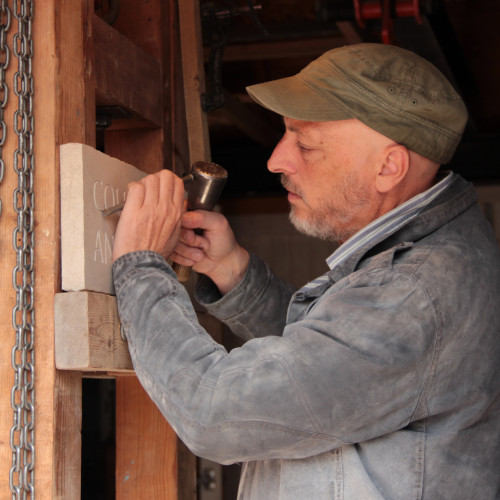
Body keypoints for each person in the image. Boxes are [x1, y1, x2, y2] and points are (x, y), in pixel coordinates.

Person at [111, 43, 500, 499]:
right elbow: (328, 373)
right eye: (284, 135)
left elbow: (214, 414)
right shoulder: (432, 254)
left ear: (389, 167)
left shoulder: (413, 294)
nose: (276, 160)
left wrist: (141, 266)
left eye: (306, 144)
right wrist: (236, 274)